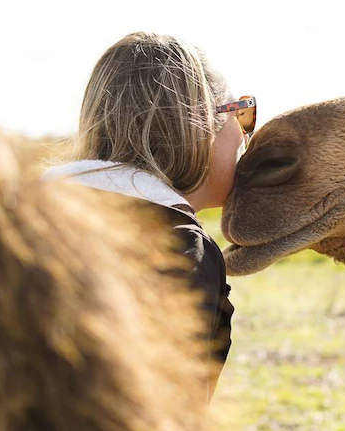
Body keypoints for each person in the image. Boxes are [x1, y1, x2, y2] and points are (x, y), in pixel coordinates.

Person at [43, 32, 256, 401]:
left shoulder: (21, 212)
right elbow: (163, 416)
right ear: (200, 123)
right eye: (240, 113)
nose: (245, 136)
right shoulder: (178, 245)